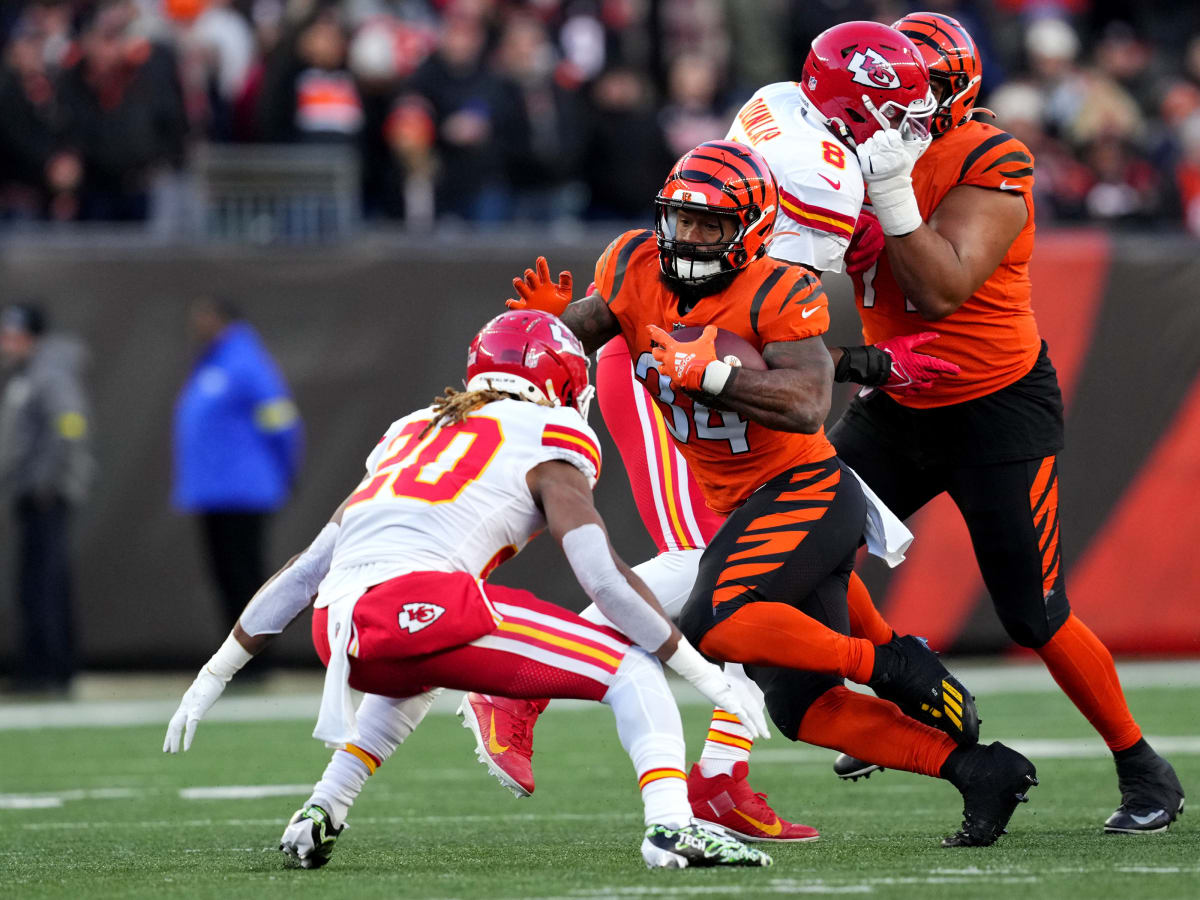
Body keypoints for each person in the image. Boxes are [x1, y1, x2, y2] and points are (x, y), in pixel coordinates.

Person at [464, 23, 962, 845]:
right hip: (681, 383)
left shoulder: (779, 104)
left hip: (705, 383)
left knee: (771, 584)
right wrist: (870, 354)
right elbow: (774, 336)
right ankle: (521, 683)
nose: (908, 128)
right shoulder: (825, 177)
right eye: (896, 109)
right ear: (855, 101)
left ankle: (725, 777)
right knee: (717, 577)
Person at [163, 309, 772, 871]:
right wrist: (709, 679)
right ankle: (671, 826)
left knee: (422, 664)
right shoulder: (552, 433)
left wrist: (212, 676)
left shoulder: (413, 429)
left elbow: (304, 572)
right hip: (411, 602)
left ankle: (322, 809)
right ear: (559, 378)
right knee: (633, 668)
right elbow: (603, 578)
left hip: (338, 624)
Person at [825, 11, 1184, 835]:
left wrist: (882, 191)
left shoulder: (992, 154)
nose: (888, 105)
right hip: (898, 400)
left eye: (906, 87)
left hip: (994, 406)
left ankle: (1142, 767)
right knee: (802, 540)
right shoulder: (852, 147)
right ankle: (913, 687)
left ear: (948, 93)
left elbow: (942, 287)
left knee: (1033, 611)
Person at [172, 297, 303, 648]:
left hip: (244, 490)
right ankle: (233, 654)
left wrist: (286, 469)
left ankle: (257, 656)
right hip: (213, 492)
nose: (196, 324)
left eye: (204, 316)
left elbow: (281, 421)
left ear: (222, 319)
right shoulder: (212, 362)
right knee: (225, 577)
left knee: (245, 577)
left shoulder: (245, 363)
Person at [0, 301, 94, 694]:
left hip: (47, 495)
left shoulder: (50, 376)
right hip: (30, 492)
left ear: (31, 338)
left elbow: (70, 426)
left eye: (13, 336)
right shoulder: (25, 376)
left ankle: (51, 669)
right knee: (36, 581)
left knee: (44, 582)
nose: (6, 344)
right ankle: (43, 665)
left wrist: (46, 482)